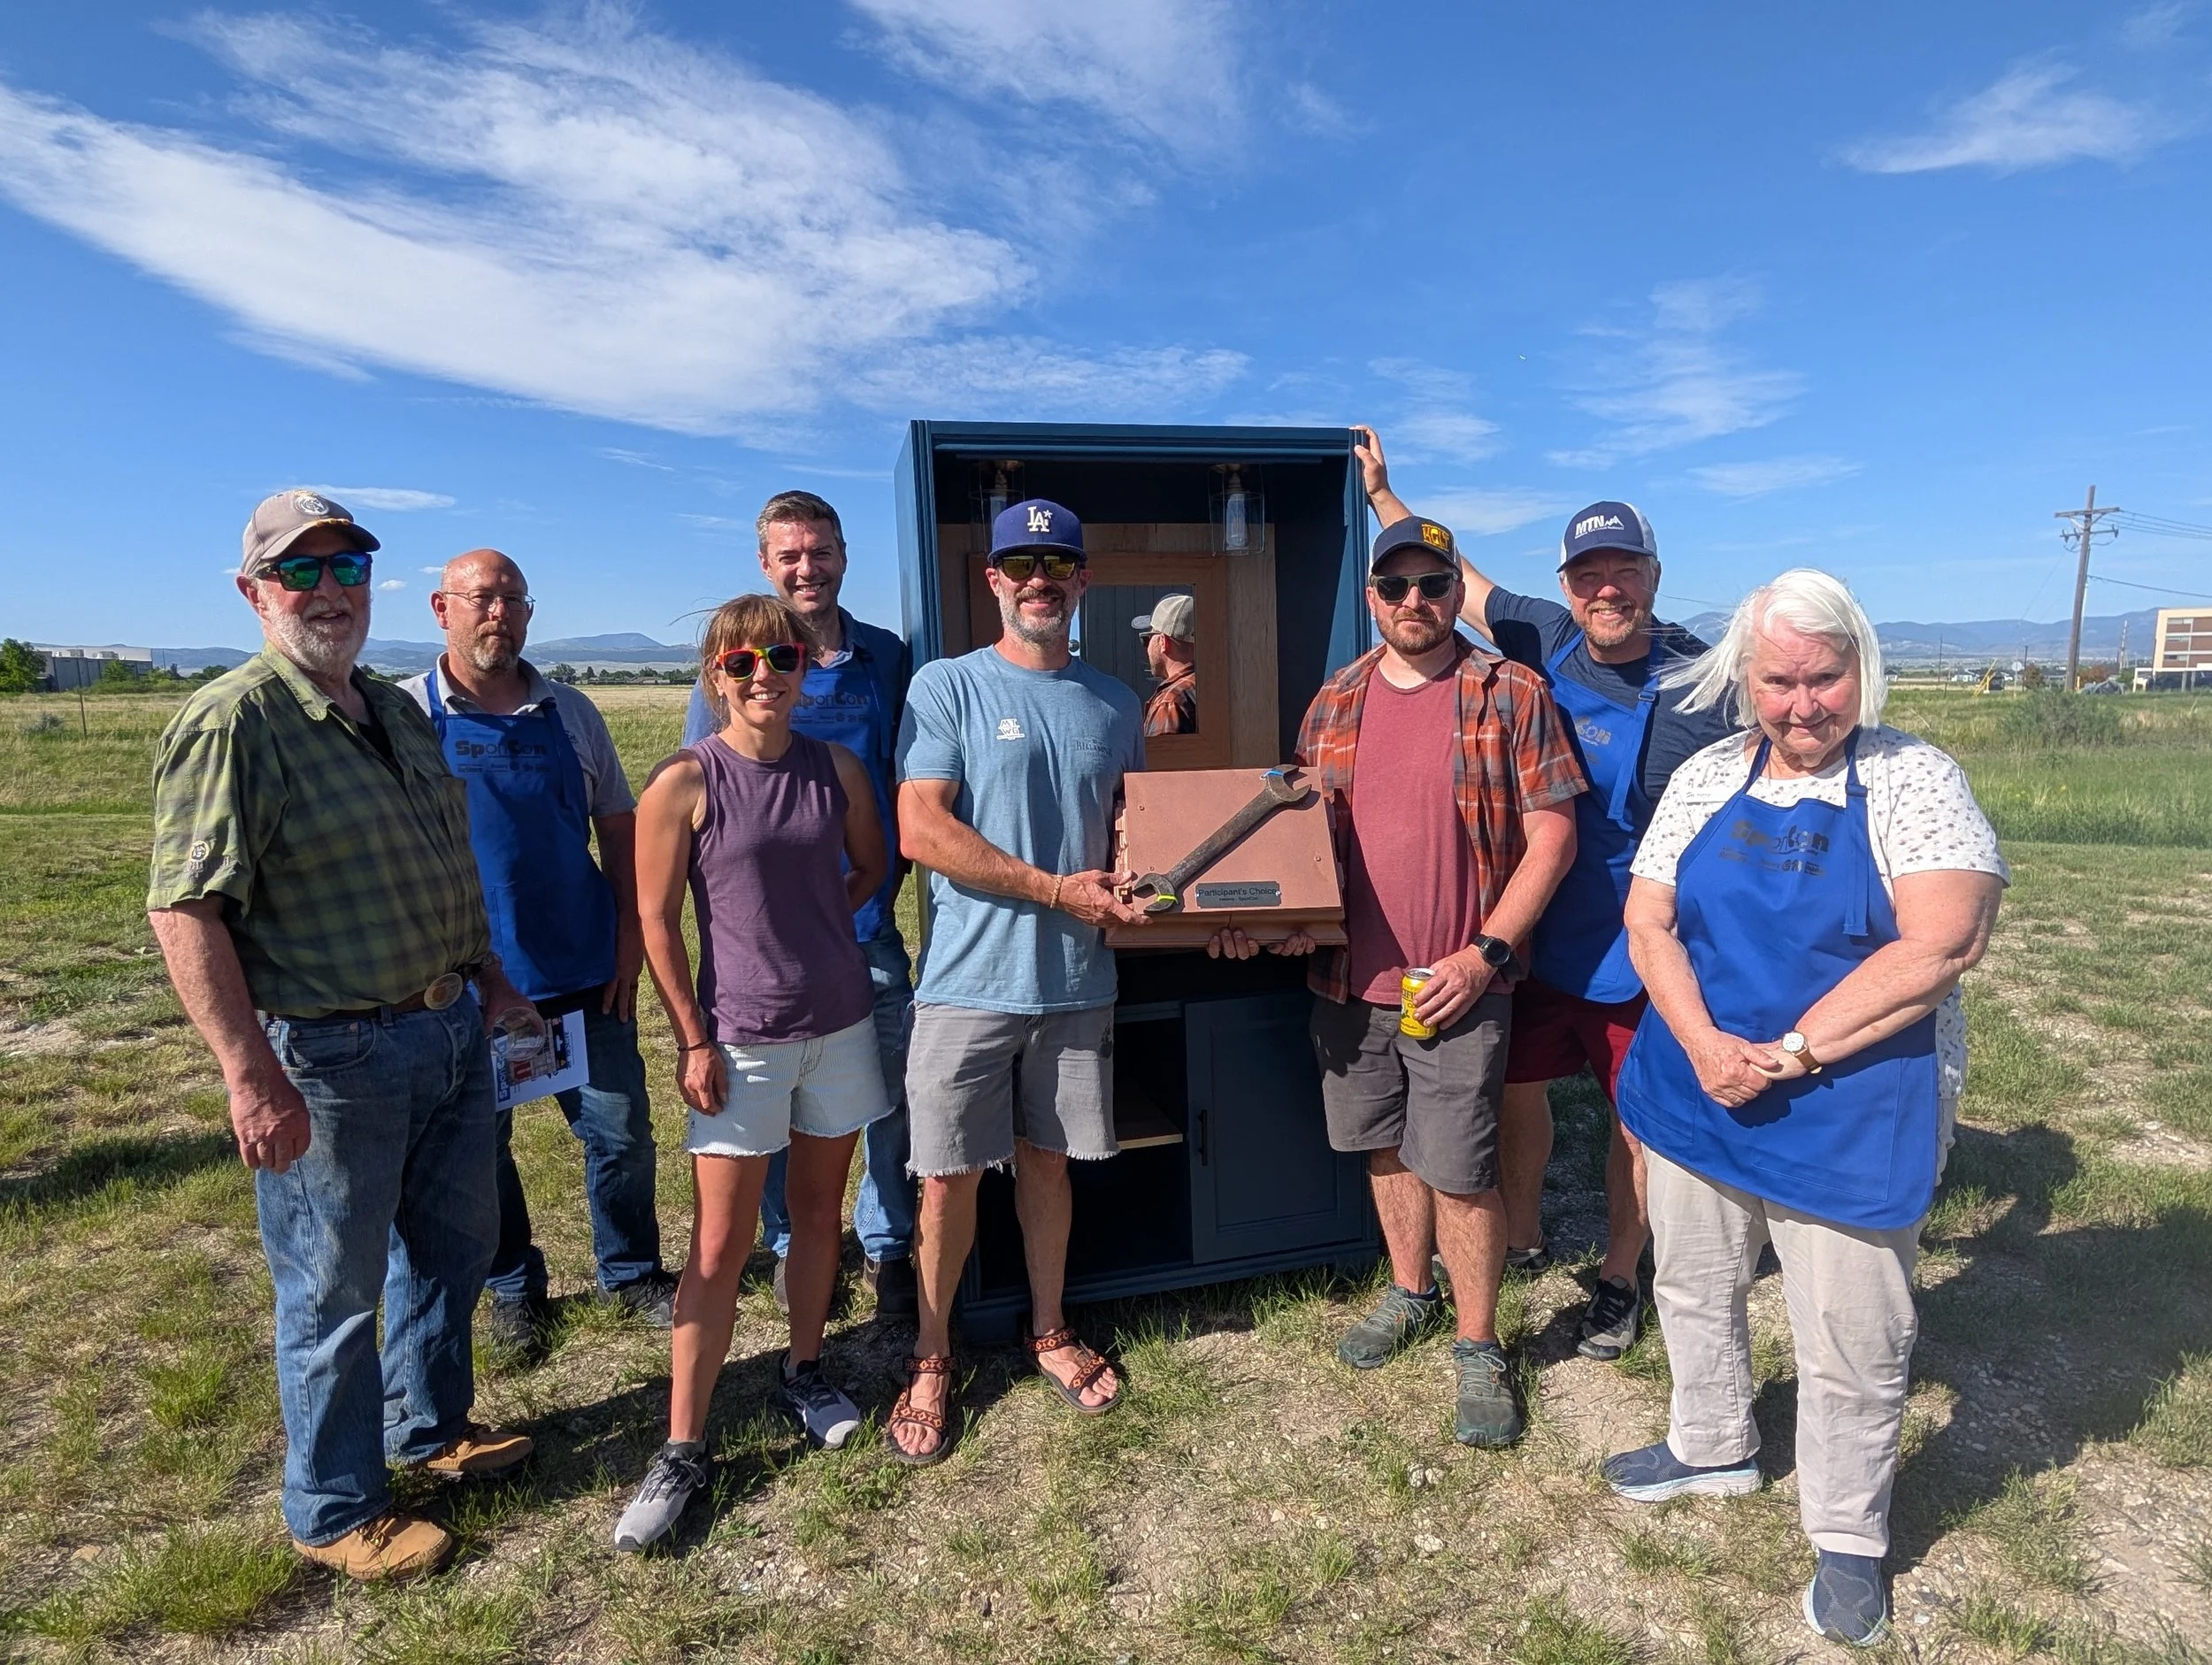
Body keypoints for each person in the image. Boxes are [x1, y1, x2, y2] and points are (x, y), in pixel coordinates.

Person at [1603, 569, 2006, 1647]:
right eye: (1778, 680)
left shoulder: (1915, 779)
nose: (1802, 704)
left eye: (1823, 677)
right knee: (1691, 1277)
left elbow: (1941, 943)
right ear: (1745, 681)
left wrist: (1784, 1053)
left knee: (1849, 1334)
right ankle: (1710, 1442)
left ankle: (1848, 1534)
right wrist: (1700, 1045)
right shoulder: (1703, 775)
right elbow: (1649, 923)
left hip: (1851, 1102)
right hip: (1696, 1082)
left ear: (1859, 670)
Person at [147, 491, 539, 1580]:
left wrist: (492, 985)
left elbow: (447, 869)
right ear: (253, 592)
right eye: (300, 572)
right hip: (329, 1058)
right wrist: (248, 1072)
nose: (329, 592)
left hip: (446, 1030)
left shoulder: (389, 706)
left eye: (347, 568)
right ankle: (331, 1505)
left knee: (449, 1253)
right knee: (331, 1290)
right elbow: (185, 909)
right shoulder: (235, 721)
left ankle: (431, 1428)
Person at [1361, 427, 1734, 1362]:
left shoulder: (1706, 678)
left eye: (1624, 570)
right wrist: (1380, 495)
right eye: (1587, 573)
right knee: (1513, 1089)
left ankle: (1617, 1274)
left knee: (1637, 1123)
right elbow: (1456, 578)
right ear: (1567, 584)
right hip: (1532, 931)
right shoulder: (1547, 636)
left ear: (1653, 574)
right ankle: (1521, 1235)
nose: (1605, 589)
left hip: (1649, 943)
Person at [1293, 514, 1581, 1447]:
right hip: (1349, 979)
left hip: (1457, 985)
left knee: (1460, 1169)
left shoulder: (1509, 691)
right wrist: (1258, 921)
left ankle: (1478, 1341)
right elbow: (1296, 843)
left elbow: (1553, 838)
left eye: (1432, 584)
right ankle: (1410, 1289)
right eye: (1394, 587)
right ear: (1372, 598)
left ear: (1459, 592)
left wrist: (1484, 955)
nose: (1412, 602)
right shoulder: (1336, 697)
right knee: (1384, 1148)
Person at [615, 594, 892, 1551]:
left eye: (781, 657)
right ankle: (683, 1444)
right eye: (742, 662)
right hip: (741, 1040)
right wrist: (693, 1035)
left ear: (804, 668)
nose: (763, 675)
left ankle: (804, 1369)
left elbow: (868, 868)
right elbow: (654, 919)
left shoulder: (838, 769)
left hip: (840, 1027)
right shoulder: (687, 782)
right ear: (714, 676)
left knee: (818, 1218)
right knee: (721, 1244)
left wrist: (817, 924)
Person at [883, 497, 1148, 1465]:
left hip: (1077, 982)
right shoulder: (945, 687)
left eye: (1058, 565)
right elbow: (923, 831)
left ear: (1083, 581)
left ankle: (1047, 1329)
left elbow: (1131, 834)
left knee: (1048, 1162)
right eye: (1020, 565)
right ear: (991, 579)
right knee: (946, 1179)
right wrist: (1052, 888)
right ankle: (932, 1353)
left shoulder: (1117, 704)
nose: (1041, 580)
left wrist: (1148, 889)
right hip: (965, 981)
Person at [400, 549, 675, 1354]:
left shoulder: (571, 713)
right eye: (481, 598)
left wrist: (629, 941)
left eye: (513, 600)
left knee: (620, 1135)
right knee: (481, 1152)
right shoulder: (406, 716)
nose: (500, 614)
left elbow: (618, 826)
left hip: (585, 972)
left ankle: (630, 1271)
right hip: (463, 984)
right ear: (440, 608)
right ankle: (513, 1286)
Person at [681, 493, 918, 1316]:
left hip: (864, 929)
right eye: (789, 556)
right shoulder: (741, 656)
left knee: (888, 1096)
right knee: (771, 1106)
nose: (805, 568)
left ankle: (888, 1243)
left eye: (819, 551)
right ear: (765, 565)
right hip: (765, 954)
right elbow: (700, 789)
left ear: (844, 555)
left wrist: (877, 889)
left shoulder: (887, 658)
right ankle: (790, 1241)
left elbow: (903, 781)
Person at [1134, 593, 1198, 736]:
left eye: (1147, 639)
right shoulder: (1222, 688)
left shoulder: (1171, 702)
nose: (1147, 647)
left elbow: (1162, 758)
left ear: (1163, 642)